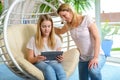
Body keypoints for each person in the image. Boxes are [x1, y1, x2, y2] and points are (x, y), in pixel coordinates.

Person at [55, 3, 106, 80]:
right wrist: (45, 25)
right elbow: (60, 31)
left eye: (64, 15)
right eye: (61, 17)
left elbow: (97, 38)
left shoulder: (86, 19)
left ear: (71, 11)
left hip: (97, 55)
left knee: (93, 71)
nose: (63, 19)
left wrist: (95, 57)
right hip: (83, 58)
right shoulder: (68, 25)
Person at [26, 14, 66, 80]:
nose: (47, 29)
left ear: (52, 27)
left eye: (49, 26)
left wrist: (60, 59)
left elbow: (59, 56)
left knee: (60, 69)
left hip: (53, 61)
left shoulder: (57, 39)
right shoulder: (33, 39)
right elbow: (30, 59)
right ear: (39, 27)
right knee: (49, 69)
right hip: (39, 62)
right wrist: (37, 58)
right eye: (44, 26)